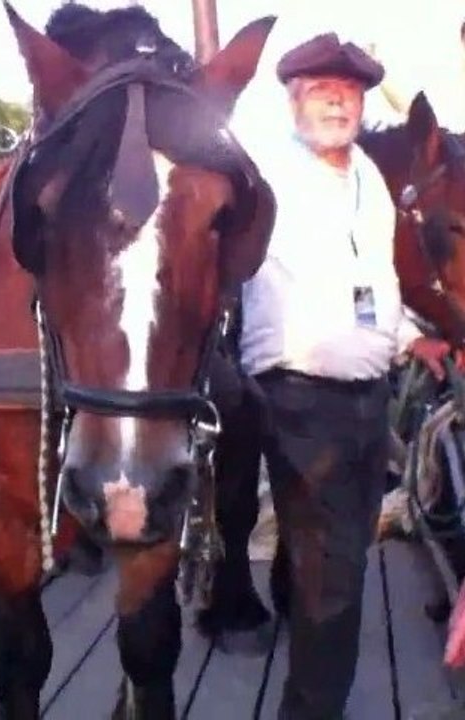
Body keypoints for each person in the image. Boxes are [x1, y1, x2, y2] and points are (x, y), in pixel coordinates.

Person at [238, 34, 453, 719]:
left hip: (368, 393)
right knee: (338, 576)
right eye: (322, 88)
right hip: (300, 394)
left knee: (334, 551)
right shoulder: (262, 174)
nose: (339, 99)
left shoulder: (368, 178)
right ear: (293, 97)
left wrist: (414, 339)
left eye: (351, 91)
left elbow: (375, 280)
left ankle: (294, 625)